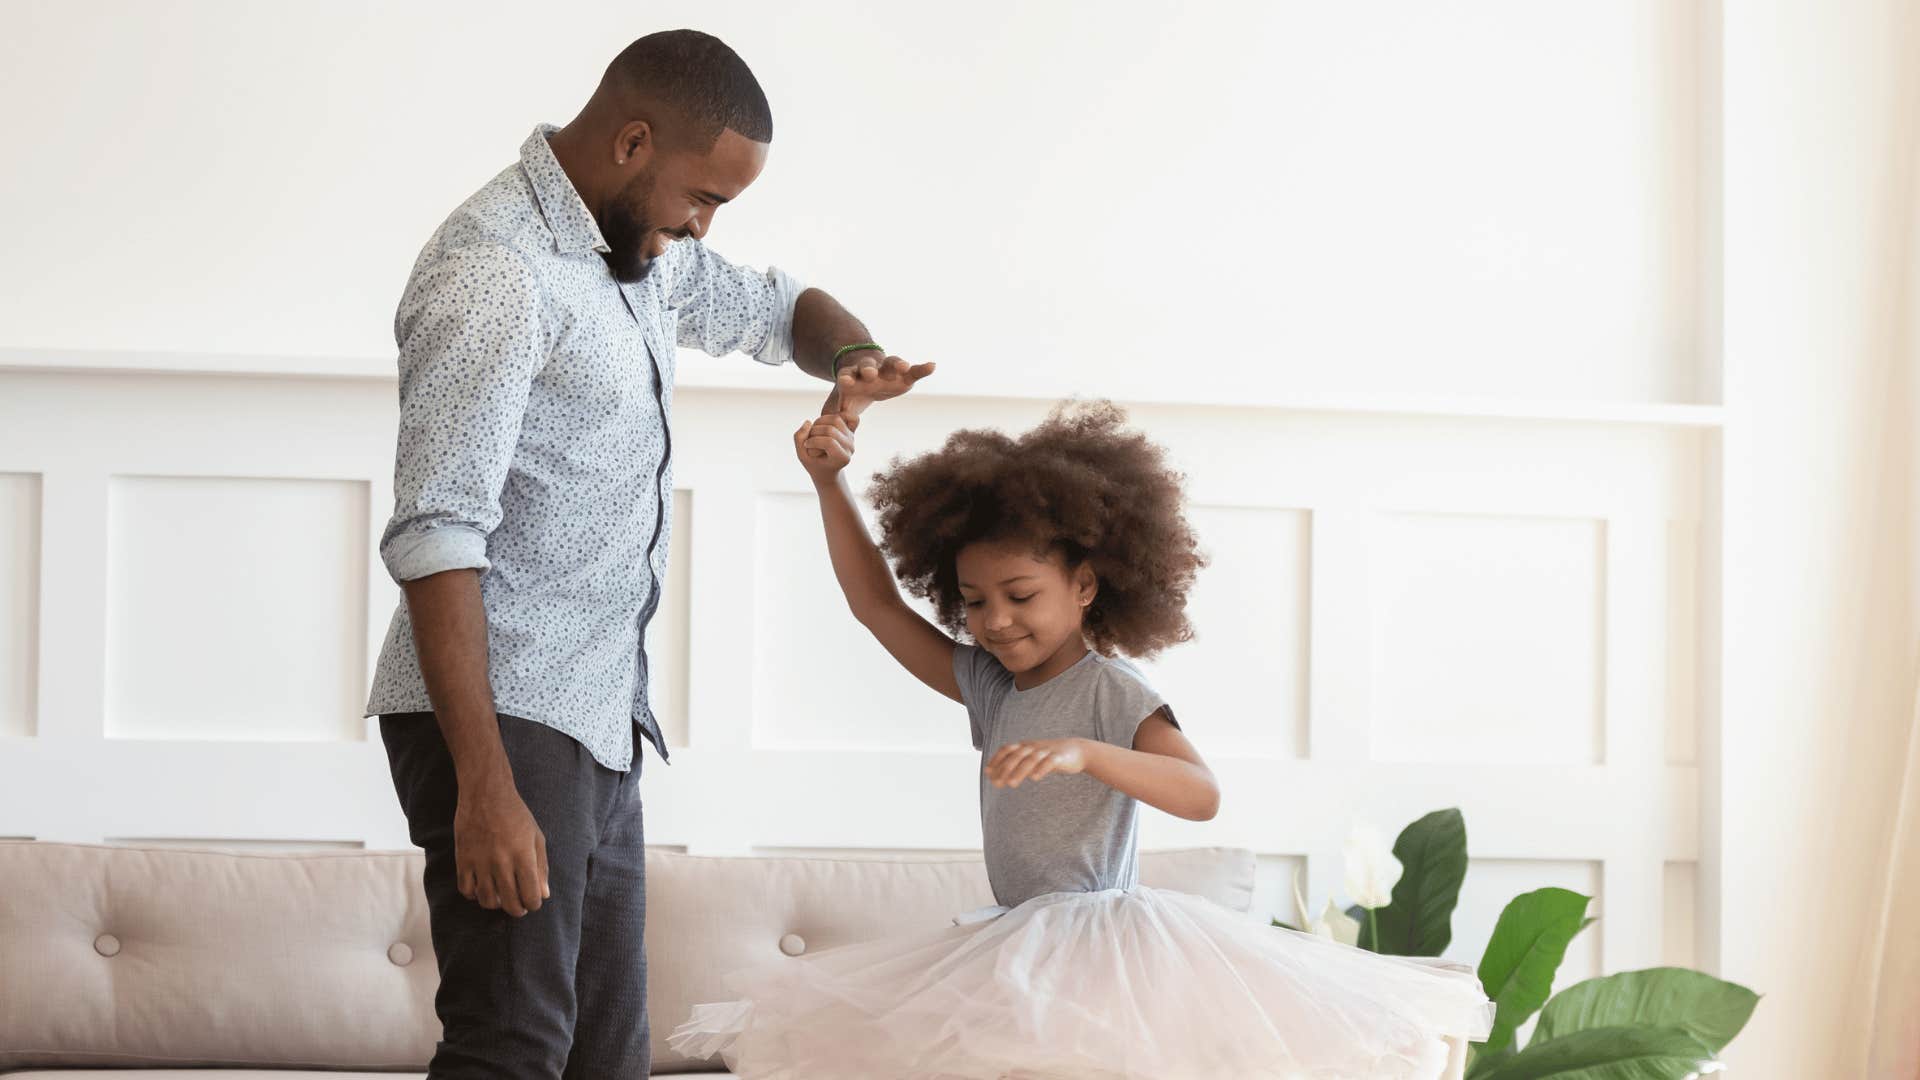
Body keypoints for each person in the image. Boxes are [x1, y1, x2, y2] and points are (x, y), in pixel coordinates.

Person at [365, 29, 931, 1078]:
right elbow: (438, 537)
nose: (703, 227)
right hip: (501, 713)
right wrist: (483, 789)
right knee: (513, 1046)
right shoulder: (495, 274)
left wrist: (853, 356)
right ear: (632, 143)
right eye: (702, 198)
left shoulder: (639, 255)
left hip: (598, 716)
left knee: (605, 1057)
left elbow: (776, 306)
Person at [669, 401, 1494, 1078]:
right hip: (1013, 937)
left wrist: (1088, 752)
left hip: (1103, 945)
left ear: (1086, 584)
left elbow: (1201, 795)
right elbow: (878, 608)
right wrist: (828, 485)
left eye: (1021, 595)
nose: (994, 620)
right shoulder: (991, 686)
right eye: (974, 599)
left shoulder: (1113, 690)